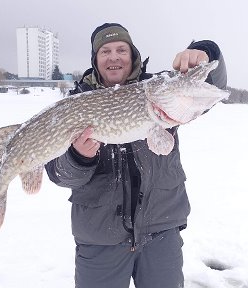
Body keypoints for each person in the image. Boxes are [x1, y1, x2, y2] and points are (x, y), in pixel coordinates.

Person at [45, 23, 227, 288]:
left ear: (133, 56)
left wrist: (205, 52)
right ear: (95, 60)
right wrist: (79, 157)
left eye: (121, 49)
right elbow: (58, 174)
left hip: (161, 233)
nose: (114, 56)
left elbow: (212, 82)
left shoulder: (159, 88)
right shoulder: (75, 104)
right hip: (99, 240)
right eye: (105, 51)